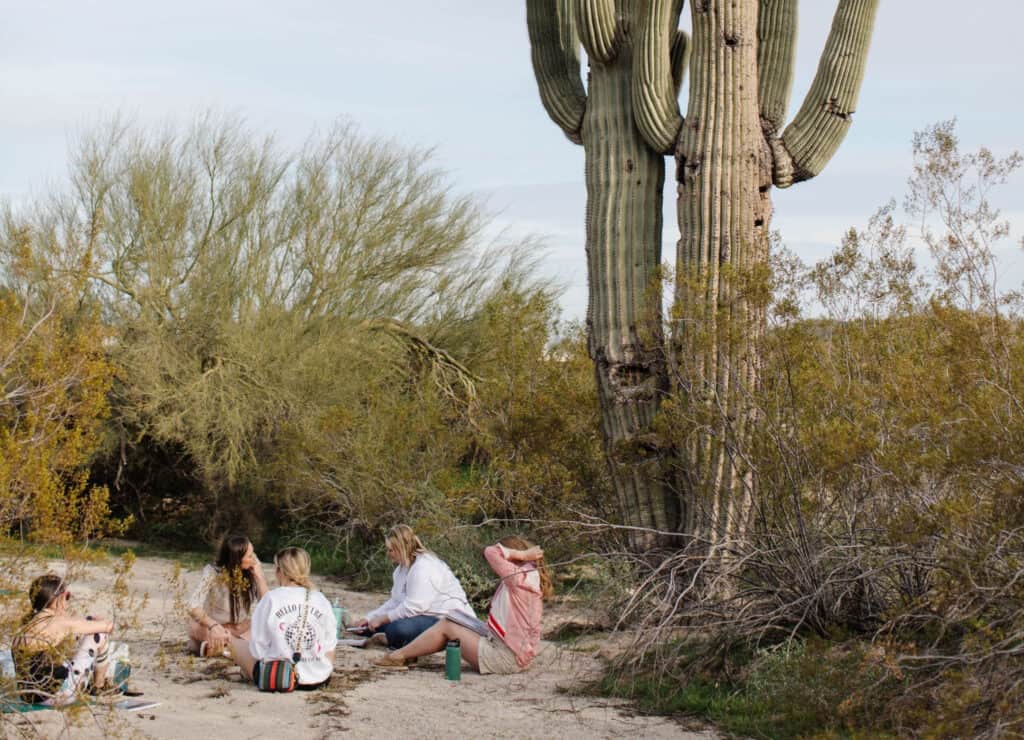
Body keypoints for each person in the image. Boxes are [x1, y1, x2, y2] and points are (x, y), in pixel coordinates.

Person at [374, 536, 552, 673]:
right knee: (454, 619)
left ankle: (400, 655)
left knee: (447, 626)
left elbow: (490, 552)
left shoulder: (517, 578)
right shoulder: (528, 577)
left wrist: (520, 554)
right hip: (512, 652)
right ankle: (408, 652)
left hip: (505, 658)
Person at [228, 547, 337, 690]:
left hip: (279, 677)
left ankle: (251, 673)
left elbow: (258, 649)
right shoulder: (320, 599)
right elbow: (330, 646)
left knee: (234, 643)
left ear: (280, 571)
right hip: (318, 678)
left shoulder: (271, 598)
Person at [352, 524, 475, 649]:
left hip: (443, 619)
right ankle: (385, 635)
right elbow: (395, 601)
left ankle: (391, 637)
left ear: (402, 548)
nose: (389, 554)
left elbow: (414, 607)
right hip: (421, 617)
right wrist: (370, 617)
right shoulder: (401, 570)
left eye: (391, 550)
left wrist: (382, 619)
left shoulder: (424, 567)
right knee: (367, 628)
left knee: (397, 630)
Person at [12, 574, 117, 705]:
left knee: (74, 639)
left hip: (27, 697)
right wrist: (97, 621)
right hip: (55, 697)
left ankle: (96, 684)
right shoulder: (58, 623)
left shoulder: (26, 624)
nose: (68, 602)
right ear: (59, 599)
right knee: (99, 635)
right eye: (67, 597)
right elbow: (108, 627)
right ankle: (99, 686)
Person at [186, 533, 269, 657]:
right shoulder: (212, 572)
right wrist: (213, 626)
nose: (254, 558)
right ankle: (233, 647)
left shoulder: (252, 570)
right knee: (194, 626)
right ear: (236, 559)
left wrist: (259, 577)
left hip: (240, 628)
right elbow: (192, 605)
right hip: (216, 627)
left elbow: (268, 605)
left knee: (264, 624)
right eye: (250, 556)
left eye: (253, 553)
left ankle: (221, 647)